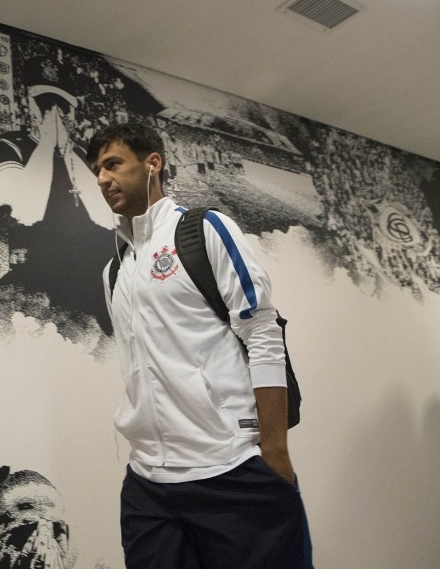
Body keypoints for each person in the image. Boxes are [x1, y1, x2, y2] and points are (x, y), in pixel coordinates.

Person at [85, 122, 311, 568]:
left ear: (153, 164)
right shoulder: (116, 271)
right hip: (148, 484)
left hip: (231, 469)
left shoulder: (204, 230)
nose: (102, 179)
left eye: (113, 164)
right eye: (97, 170)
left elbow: (263, 332)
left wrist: (275, 449)